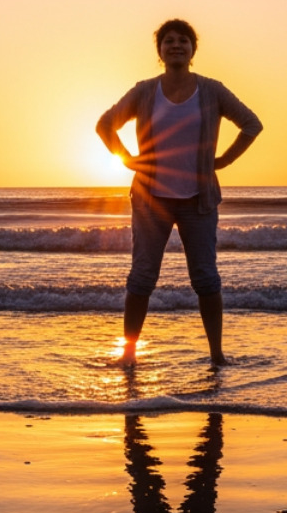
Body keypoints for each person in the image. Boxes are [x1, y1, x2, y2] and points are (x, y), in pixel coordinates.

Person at [96, 19, 262, 366]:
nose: (176, 46)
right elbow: (105, 124)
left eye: (183, 41)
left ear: (192, 50)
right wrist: (126, 159)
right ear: (159, 51)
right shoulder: (144, 91)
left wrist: (224, 160)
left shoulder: (212, 90)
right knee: (142, 277)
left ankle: (217, 355)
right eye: (169, 41)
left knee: (205, 278)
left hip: (198, 201)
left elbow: (251, 124)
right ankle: (128, 354)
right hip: (150, 200)